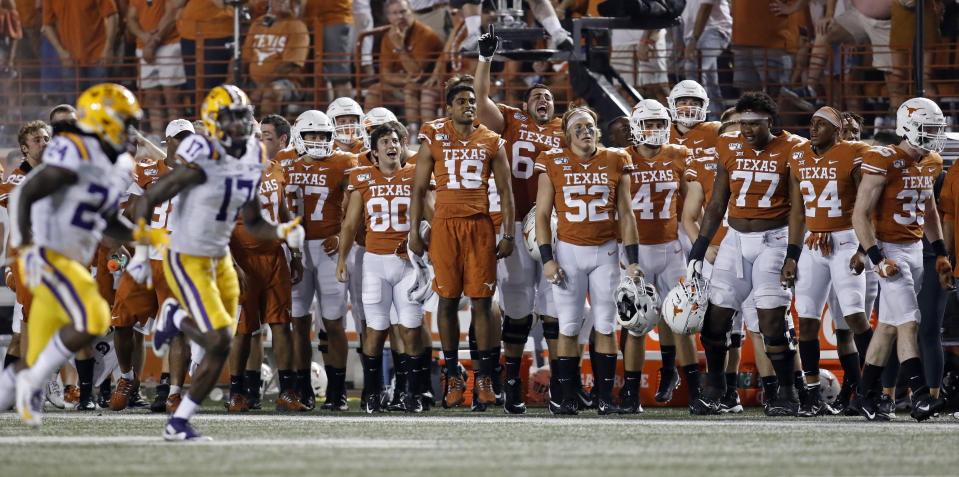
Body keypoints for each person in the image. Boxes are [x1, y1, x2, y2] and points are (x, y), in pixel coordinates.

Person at [132, 84, 304, 440]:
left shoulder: (254, 157)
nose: (240, 124)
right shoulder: (203, 156)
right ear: (215, 122)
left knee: (222, 344)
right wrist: (138, 252)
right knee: (215, 341)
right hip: (188, 255)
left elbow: (254, 219)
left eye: (244, 115)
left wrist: (284, 231)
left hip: (220, 256)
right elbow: (150, 199)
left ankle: (179, 422)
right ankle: (175, 317)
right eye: (231, 117)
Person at [0, 83, 142, 426]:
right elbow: (24, 194)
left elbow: (106, 217)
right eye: (120, 119)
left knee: (75, 326)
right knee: (86, 319)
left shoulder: (121, 161)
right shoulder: (73, 150)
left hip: (75, 254)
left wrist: (143, 243)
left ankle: (20, 382)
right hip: (49, 252)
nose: (128, 126)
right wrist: (24, 247)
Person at [685, 91, 806, 416]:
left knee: (770, 322)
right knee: (715, 319)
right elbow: (717, 201)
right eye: (743, 123)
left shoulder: (794, 147)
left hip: (774, 240)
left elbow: (799, 210)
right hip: (735, 241)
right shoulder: (728, 144)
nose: (748, 130)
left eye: (755, 124)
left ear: (771, 121)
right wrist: (699, 246)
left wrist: (793, 254)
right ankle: (715, 390)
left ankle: (787, 393)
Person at [408, 82, 514, 409]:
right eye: (462, 101)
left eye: (472, 100)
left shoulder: (491, 140)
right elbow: (419, 188)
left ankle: (483, 376)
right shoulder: (433, 137)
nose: (469, 105)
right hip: (444, 226)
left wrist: (508, 234)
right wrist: (414, 231)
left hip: (480, 225)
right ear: (449, 109)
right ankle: (452, 373)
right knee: (448, 299)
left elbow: (507, 192)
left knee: (482, 302)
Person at [474, 32, 565, 414]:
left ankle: (564, 385)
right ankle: (511, 384)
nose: (543, 100)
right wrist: (485, 60)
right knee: (516, 308)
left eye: (548, 97)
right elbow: (479, 100)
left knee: (557, 309)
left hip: (554, 228)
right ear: (525, 105)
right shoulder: (510, 121)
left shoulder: (568, 128)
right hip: (515, 223)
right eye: (536, 97)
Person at [532, 106, 641, 415]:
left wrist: (632, 258)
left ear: (598, 130)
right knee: (568, 326)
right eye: (578, 126)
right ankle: (565, 397)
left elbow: (627, 212)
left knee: (606, 324)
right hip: (568, 251)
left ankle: (605, 398)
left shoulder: (616, 159)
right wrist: (547, 259)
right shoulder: (552, 160)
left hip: (606, 250)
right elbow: (542, 214)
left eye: (590, 125)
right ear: (567, 134)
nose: (585, 130)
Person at [850, 97, 952, 422]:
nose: (934, 134)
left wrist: (940, 252)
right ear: (907, 127)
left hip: (914, 249)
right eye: (928, 128)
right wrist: (876, 258)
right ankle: (921, 396)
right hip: (888, 249)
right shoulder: (883, 159)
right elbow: (860, 214)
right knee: (910, 320)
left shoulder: (932, 161)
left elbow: (930, 209)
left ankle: (864, 396)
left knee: (889, 327)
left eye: (937, 128)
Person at [780, 106, 872, 417]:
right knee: (806, 320)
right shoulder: (799, 155)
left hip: (845, 240)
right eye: (812, 123)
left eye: (822, 124)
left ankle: (871, 389)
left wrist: (863, 249)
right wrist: (791, 256)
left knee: (855, 318)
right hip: (812, 244)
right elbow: (797, 212)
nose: (814, 129)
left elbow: (867, 205)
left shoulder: (855, 152)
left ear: (837, 130)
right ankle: (811, 395)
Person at [336, 122, 430, 413]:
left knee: (411, 329)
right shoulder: (361, 177)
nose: (392, 146)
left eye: (395, 141)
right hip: (375, 263)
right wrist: (341, 259)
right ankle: (372, 393)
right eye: (385, 142)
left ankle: (411, 394)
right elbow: (351, 224)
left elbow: (434, 217)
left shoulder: (416, 174)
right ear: (374, 152)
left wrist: (420, 240)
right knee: (375, 331)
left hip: (410, 264)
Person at [107, 119, 193, 412]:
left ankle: (175, 392)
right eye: (180, 139)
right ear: (168, 142)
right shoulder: (146, 170)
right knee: (120, 321)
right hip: (144, 258)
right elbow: (129, 210)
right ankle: (127, 378)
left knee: (177, 329)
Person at [282, 109, 358, 411]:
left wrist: (341, 234)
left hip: (328, 250)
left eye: (324, 135)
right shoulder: (283, 161)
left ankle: (337, 391)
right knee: (298, 322)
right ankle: (302, 389)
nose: (318, 141)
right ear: (299, 135)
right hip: (294, 249)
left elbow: (357, 203)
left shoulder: (343, 162)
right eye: (312, 135)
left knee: (333, 322)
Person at [227, 118, 304, 412]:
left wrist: (294, 253)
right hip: (242, 259)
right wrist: (231, 264)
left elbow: (282, 209)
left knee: (282, 324)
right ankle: (237, 393)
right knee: (243, 330)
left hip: (274, 256)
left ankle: (287, 392)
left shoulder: (274, 167)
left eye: (261, 136)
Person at [620, 99, 691, 413]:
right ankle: (631, 392)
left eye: (662, 123)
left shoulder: (680, 155)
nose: (657, 130)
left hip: (671, 246)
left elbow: (691, 205)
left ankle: (671, 372)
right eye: (650, 123)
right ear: (636, 126)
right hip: (634, 250)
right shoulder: (619, 159)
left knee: (676, 317)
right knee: (635, 322)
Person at [365, 0, 443, 136]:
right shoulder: (388, 37)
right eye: (394, 13)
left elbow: (416, 72)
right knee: (374, 91)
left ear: (411, 13)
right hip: (403, 83)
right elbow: (385, 75)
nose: (400, 16)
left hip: (427, 85)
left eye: (403, 12)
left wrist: (400, 48)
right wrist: (404, 79)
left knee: (410, 89)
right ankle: (369, 134)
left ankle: (414, 135)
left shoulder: (425, 34)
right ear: (388, 17)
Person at [125, 0, 185, 138]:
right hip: (143, 46)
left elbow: (172, 13)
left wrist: (154, 40)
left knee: (172, 96)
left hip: (169, 44)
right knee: (151, 95)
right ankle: (157, 136)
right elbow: (131, 18)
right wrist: (143, 36)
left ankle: (177, 136)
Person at [241, 0, 309, 116]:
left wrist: (262, 87)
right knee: (230, 91)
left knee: (271, 91)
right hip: (253, 81)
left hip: (287, 83)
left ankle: (268, 132)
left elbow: (290, 65)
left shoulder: (297, 26)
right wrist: (234, 79)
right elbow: (246, 57)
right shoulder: (258, 23)